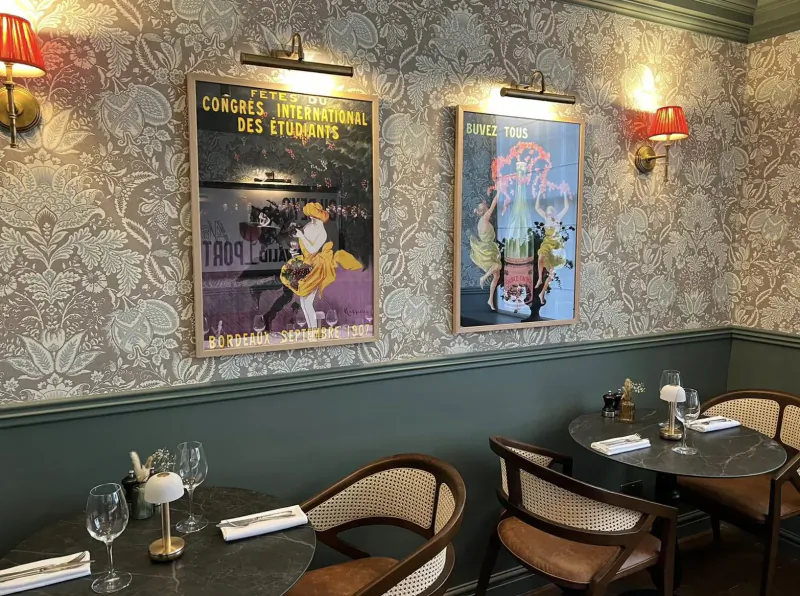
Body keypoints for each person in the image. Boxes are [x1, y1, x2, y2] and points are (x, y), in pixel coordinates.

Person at [280, 202, 361, 328]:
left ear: (320, 217)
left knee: (307, 302)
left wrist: (301, 235)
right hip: (306, 263)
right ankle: (311, 330)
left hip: (317, 267)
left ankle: (313, 331)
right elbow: (304, 248)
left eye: (314, 217)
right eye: (310, 216)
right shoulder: (307, 227)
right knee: (303, 301)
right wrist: (294, 252)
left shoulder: (322, 232)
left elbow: (313, 249)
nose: (312, 219)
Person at [534, 186, 570, 305]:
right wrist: (539, 193)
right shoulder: (545, 218)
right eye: (548, 210)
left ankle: (542, 293)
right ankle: (539, 278)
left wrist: (564, 193)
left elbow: (566, 207)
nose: (549, 212)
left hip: (556, 246)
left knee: (552, 272)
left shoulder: (557, 218)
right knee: (541, 256)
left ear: (553, 212)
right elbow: (537, 207)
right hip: (547, 243)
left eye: (551, 210)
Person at [469, 193, 502, 311]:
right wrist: (499, 191)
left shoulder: (481, 221)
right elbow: (493, 204)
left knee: (497, 275)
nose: (485, 204)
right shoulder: (485, 218)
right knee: (497, 266)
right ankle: (483, 277)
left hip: (489, 248)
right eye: (483, 205)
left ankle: (490, 299)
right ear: (483, 211)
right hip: (488, 249)